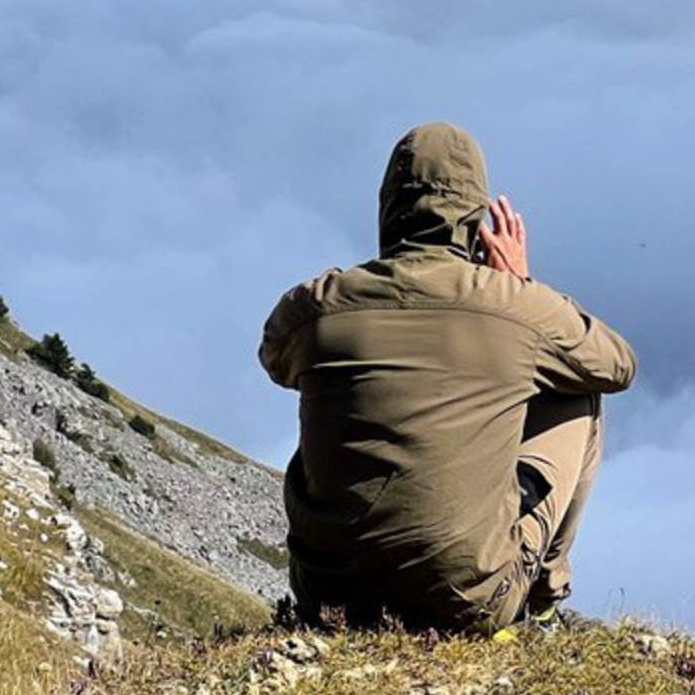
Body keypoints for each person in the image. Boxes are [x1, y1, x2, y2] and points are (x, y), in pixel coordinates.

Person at [260, 122, 637, 633]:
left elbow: (274, 357)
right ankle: (540, 601)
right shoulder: (513, 307)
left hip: (329, 598)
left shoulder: (318, 307)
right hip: (469, 601)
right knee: (579, 396)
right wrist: (520, 286)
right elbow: (616, 366)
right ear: (474, 216)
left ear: (388, 208)